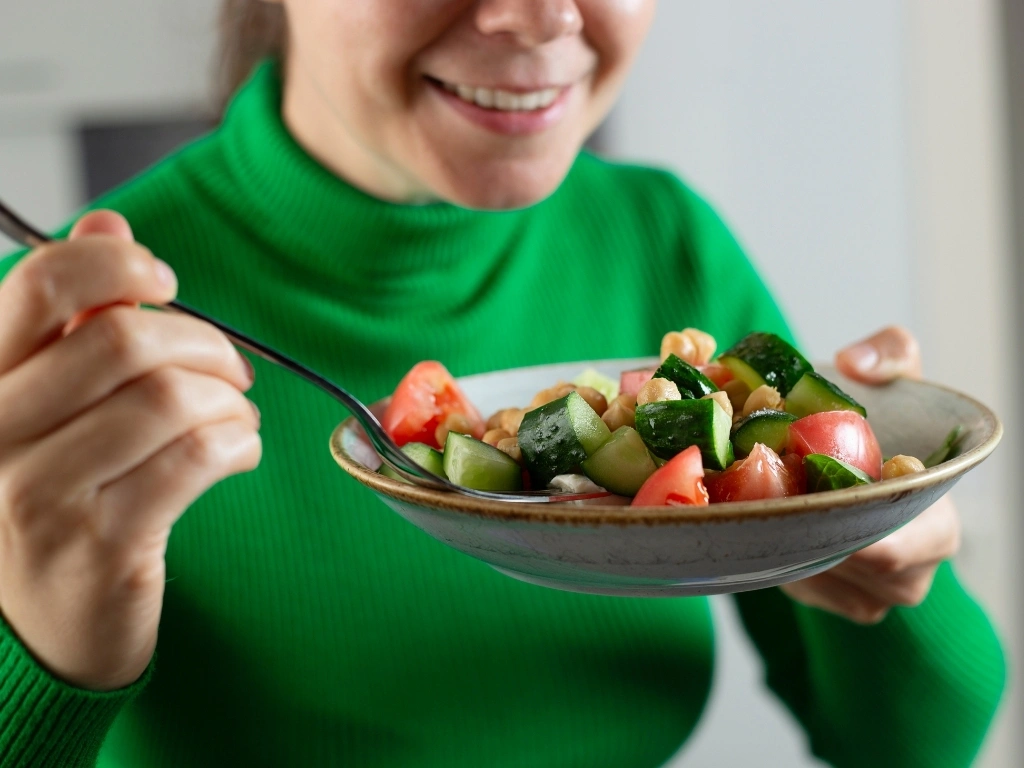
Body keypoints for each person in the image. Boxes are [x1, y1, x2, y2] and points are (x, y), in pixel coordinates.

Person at [0, 2, 1005, 766]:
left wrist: (889, 563)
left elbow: (909, 747)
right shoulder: (68, 348)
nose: (538, 16)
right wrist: (48, 643)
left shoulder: (664, 239)